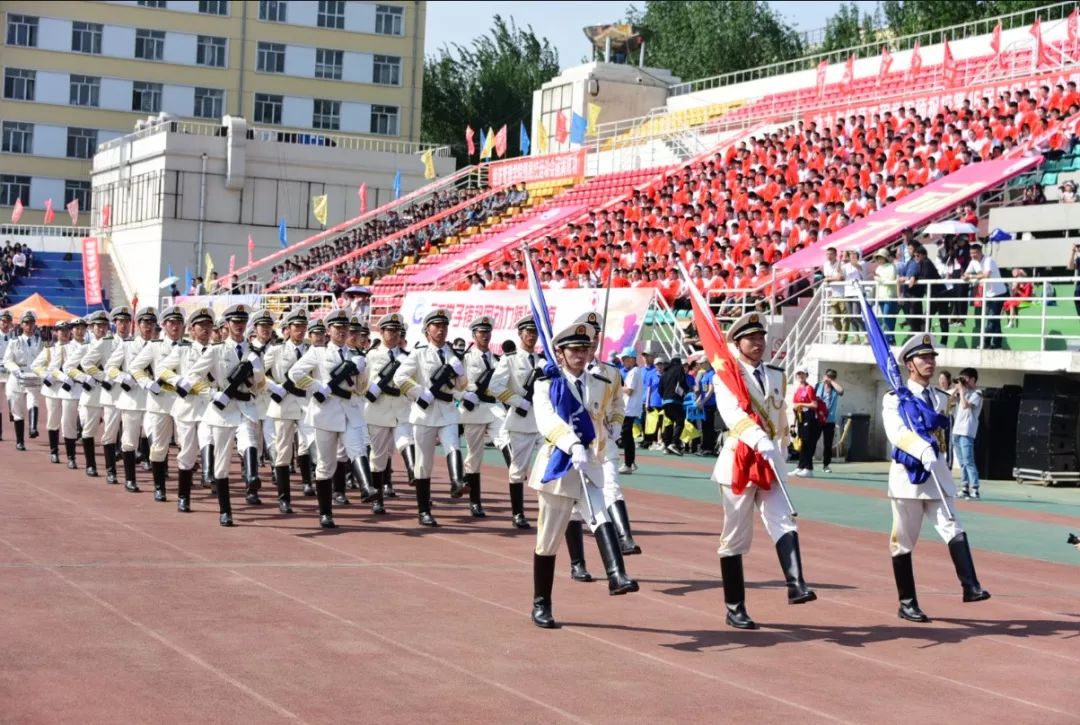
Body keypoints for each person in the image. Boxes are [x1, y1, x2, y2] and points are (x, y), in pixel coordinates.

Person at [529, 322, 638, 629]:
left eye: (585, 349)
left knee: (601, 515)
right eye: (574, 350)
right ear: (560, 353)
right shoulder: (547, 383)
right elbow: (547, 420)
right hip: (559, 465)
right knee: (548, 540)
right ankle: (541, 603)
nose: (580, 355)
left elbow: (612, 405)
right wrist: (571, 443)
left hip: (590, 462)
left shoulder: (599, 381)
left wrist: (613, 425)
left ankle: (617, 575)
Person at [711, 312, 815, 630]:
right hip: (741, 460)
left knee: (784, 519)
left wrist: (782, 447)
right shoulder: (727, 375)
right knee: (735, 536)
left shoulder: (776, 375)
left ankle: (796, 584)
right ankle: (735, 607)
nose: (758, 343)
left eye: (761, 338)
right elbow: (731, 413)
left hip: (770, 461)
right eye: (751, 338)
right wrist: (758, 438)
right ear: (737, 342)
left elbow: (780, 415)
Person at [882, 334, 990, 623]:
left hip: (938, 475)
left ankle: (970, 586)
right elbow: (897, 433)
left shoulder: (941, 398)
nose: (929, 362)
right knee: (903, 541)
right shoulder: (895, 398)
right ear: (909, 364)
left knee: (953, 526)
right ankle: (907, 603)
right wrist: (920, 450)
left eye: (931, 357)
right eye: (923, 357)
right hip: (909, 478)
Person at [393, 308, 468, 527]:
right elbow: (399, 378)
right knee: (423, 463)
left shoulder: (453, 354)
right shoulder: (419, 353)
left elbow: (461, 386)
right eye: (437, 326)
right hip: (425, 413)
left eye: (444, 326)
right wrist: (419, 392)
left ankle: (457, 481)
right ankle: (423, 510)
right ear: (428, 330)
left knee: (453, 445)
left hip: (448, 410)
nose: (441, 330)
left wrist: (461, 372)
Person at [204, 304, 266, 526]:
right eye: (235, 322)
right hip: (223, 411)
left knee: (249, 441)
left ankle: (251, 476)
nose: (239, 325)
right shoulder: (216, 350)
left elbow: (260, 386)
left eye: (242, 322)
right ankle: (225, 510)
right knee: (221, 464)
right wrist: (212, 393)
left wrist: (257, 371)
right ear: (227, 324)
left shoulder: (254, 352)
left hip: (246, 406)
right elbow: (194, 377)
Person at [490, 315, 547, 529]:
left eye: (535, 332)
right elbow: (495, 386)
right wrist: (518, 401)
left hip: (543, 422)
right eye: (528, 332)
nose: (532, 336)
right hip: (521, 422)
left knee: (548, 467)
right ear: (520, 334)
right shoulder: (510, 359)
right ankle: (518, 513)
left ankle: (546, 511)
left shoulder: (543, 361)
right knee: (517, 471)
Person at [159, 306, 215, 513]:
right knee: (188, 453)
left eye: (208, 325)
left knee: (209, 438)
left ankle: (209, 474)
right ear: (191, 329)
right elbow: (161, 369)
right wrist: (178, 380)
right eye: (201, 326)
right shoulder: (183, 350)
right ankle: (184, 496)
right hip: (187, 407)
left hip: (209, 406)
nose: (205, 329)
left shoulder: (218, 350)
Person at [130, 306, 185, 502]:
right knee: (159, 446)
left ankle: (184, 491)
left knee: (186, 446)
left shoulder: (189, 346)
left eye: (178, 323)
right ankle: (159, 487)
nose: (175, 326)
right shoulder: (155, 346)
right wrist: (147, 383)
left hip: (183, 402)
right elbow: (135, 367)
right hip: (159, 401)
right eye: (171, 323)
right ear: (164, 325)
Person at [263, 307, 312, 514]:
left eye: (303, 326)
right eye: (296, 326)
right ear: (288, 329)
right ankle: (284, 498)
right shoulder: (276, 350)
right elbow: (259, 373)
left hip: (307, 404)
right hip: (283, 404)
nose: (300, 330)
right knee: (283, 451)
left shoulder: (312, 350)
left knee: (310, 444)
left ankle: (309, 482)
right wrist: (274, 387)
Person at [363, 313, 410, 516]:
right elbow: (364, 383)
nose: (394, 334)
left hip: (401, 409)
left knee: (407, 442)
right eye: (390, 330)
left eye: (397, 330)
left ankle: (414, 475)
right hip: (378, 410)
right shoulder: (371, 356)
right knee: (378, 456)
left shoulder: (407, 357)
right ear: (381, 332)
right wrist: (375, 386)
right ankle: (377, 500)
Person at [106, 307, 158, 493]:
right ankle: (130, 479)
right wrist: (123, 378)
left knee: (155, 438)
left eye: (151, 323)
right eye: (144, 323)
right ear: (138, 325)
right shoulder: (128, 345)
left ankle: (158, 481)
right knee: (129, 441)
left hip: (154, 400)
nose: (148, 327)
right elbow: (110, 368)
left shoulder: (159, 345)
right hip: (132, 399)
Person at [458, 315, 500, 518]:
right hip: (473, 411)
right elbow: (458, 384)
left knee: (506, 439)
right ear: (474, 335)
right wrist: (467, 394)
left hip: (493, 409)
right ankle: (475, 501)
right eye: (482, 332)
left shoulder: (497, 360)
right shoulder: (465, 359)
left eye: (488, 332)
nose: (485, 335)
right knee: (475, 455)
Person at [33, 320, 72, 465]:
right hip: (53, 389)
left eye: (67, 330)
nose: (64, 333)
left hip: (70, 388)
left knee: (68, 421)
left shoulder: (75, 348)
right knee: (53, 420)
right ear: (56, 332)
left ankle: (71, 455)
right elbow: (35, 366)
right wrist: (45, 375)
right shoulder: (50, 349)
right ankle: (54, 451)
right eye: (61, 330)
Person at [3, 310, 43, 448]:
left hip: (32, 376)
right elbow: (8, 360)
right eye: (26, 323)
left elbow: (44, 359)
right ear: (21, 325)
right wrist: (16, 370)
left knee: (33, 401)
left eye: (31, 323)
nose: (29, 326)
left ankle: (33, 428)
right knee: (17, 410)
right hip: (17, 377)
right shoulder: (15, 341)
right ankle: (20, 441)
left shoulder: (40, 341)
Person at [962, 243, 1007, 350]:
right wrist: (965, 276)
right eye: (971, 253)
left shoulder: (988, 260)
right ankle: (997, 344)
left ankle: (985, 342)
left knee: (992, 318)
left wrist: (971, 277)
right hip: (988, 294)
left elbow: (986, 275)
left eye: (974, 253)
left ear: (980, 252)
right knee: (994, 319)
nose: (972, 255)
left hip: (999, 293)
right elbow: (965, 274)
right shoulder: (973, 262)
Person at [950, 367, 984, 500]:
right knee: (962, 463)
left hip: (966, 431)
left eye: (965, 379)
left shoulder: (977, 394)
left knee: (969, 461)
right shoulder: (962, 392)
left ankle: (975, 489)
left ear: (973, 379)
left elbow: (965, 406)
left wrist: (962, 392)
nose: (963, 381)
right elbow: (950, 401)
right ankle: (964, 488)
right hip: (956, 431)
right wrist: (956, 389)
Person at [790, 367, 821, 477]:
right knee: (802, 442)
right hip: (800, 417)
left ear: (806, 375)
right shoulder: (798, 389)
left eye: (803, 374)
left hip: (809, 417)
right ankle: (800, 466)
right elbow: (795, 407)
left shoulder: (809, 388)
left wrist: (801, 404)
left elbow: (814, 405)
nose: (800, 376)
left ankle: (809, 468)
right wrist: (793, 424)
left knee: (808, 443)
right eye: (799, 374)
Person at [618, 347, 643, 474]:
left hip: (629, 408)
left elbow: (629, 391)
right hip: (630, 408)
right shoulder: (635, 371)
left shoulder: (633, 372)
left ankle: (628, 463)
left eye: (625, 359)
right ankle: (630, 462)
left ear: (632, 359)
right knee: (627, 435)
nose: (623, 361)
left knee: (626, 435)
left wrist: (616, 386)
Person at [814, 369, 844, 473]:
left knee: (828, 443)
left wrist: (831, 382)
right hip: (818, 419)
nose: (829, 378)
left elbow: (841, 391)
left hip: (830, 420)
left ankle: (826, 465)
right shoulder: (818, 386)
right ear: (824, 375)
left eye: (832, 377)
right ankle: (808, 462)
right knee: (812, 440)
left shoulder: (835, 388)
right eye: (828, 376)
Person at [659, 355, 688, 455]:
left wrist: (665, 396)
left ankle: (667, 446)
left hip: (665, 402)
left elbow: (660, 389)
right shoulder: (679, 369)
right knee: (680, 421)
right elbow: (682, 382)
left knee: (669, 423)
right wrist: (685, 391)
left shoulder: (665, 373)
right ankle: (674, 443)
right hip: (675, 401)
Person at [873, 249, 899, 344]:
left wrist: (879, 279)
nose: (879, 259)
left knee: (888, 317)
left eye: (881, 257)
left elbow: (891, 280)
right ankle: (888, 338)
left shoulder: (892, 266)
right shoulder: (878, 268)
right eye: (878, 258)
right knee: (885, 318)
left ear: (885, 258)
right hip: (881, 296)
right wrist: (878, 279)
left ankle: (890, 338)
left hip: (890, 296)